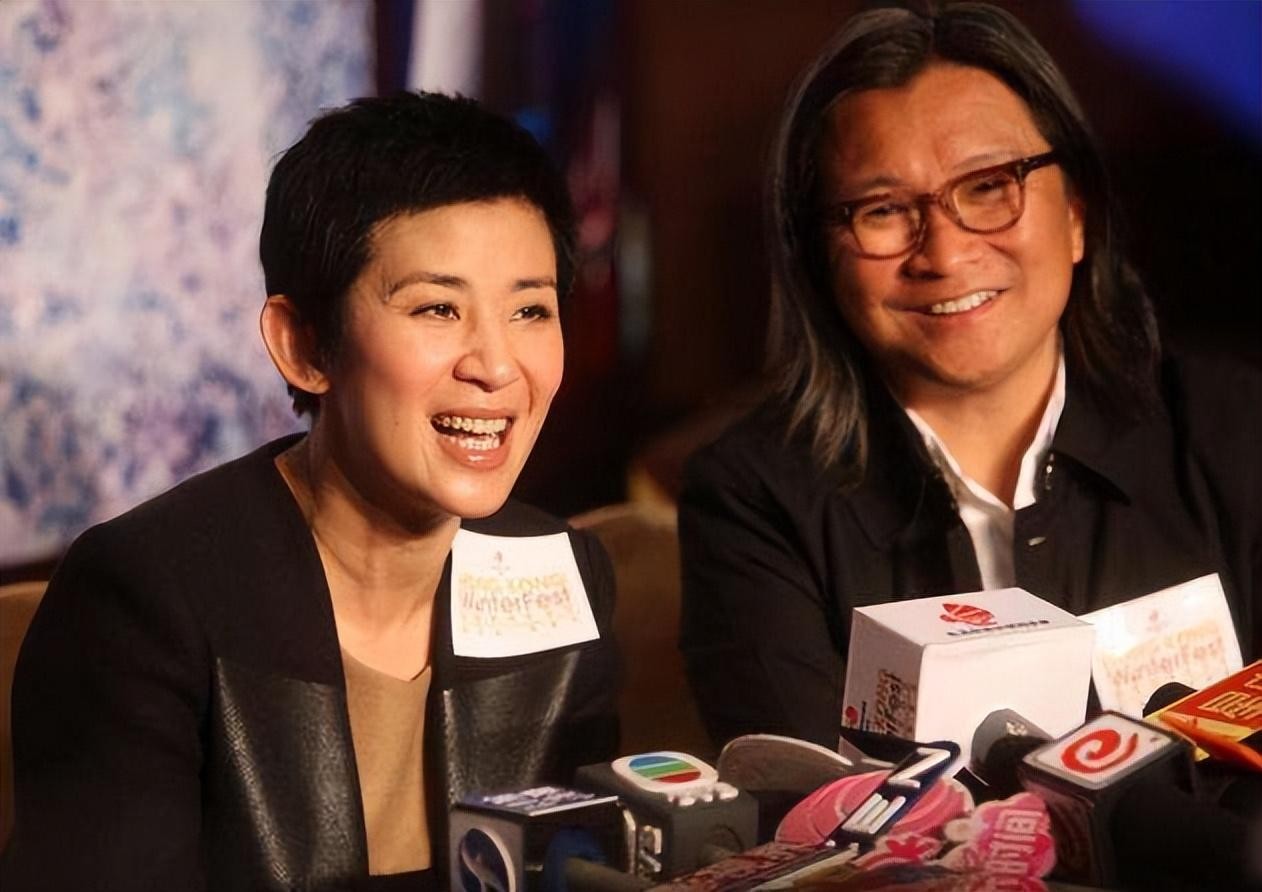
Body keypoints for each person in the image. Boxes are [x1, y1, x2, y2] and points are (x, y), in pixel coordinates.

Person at [1, 92, 618, 890]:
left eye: (531, 309)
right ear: (303, 345)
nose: (498, 367)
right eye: (439, 307)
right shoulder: (143, 602)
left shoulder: (565, 575)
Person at [679, 3, 1260, 752]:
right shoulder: (753, 501)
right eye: (883, 210)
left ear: (1077, 213)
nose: (946, 254)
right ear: (820, 257)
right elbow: (821, 812)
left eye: (988, 186)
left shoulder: (1235, 432)